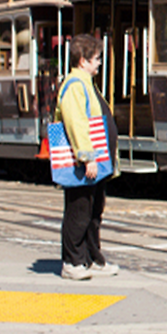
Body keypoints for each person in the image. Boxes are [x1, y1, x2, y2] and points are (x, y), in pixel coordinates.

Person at [57, 34, 120, 280]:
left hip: (98, 162)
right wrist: (87, 157)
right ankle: (72, 261)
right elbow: (76, 123)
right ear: (83, 60)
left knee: (93, 211)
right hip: (84, 163)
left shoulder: (86, 83)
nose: (100, 63)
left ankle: (91, 258)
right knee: (79, 210)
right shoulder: (75, 85)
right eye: (97, 58)